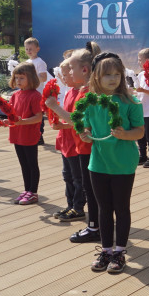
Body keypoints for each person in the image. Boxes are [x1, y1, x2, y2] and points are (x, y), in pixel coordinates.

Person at [79, 52, 144, 274]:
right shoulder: (90, 102)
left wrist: (125, 134)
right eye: (107, 74)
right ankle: (106, 250)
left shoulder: (130, 102)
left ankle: (119, 252)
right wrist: (85, 134)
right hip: (98, 164)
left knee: (121, 208)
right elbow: (85, 126)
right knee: (103, 208)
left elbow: (140, 131)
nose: (113, 78)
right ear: (96, 77)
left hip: (123, 164)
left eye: (117, 74)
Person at [46, 43, 104, 241]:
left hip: (89, 149)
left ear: (85, 69)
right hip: (83, 147)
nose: (68, 72)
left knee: (92, 190)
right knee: (90, 188)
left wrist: (55, 107)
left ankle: (95, 228)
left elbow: (77, 122)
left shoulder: (88, 92)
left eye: (71, 68)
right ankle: (95, 226)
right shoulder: (82, 91)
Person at [8, 62, 44, 205]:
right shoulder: (15, 95)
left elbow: (38, 117)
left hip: (28, 135)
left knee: (31, 164)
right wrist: (6, 121)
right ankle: (26, 189)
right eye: (16, 77)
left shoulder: (35, 96)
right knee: (23, 164)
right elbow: (12, 115)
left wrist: (22, 122)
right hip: (17, 134)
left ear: (31, 78)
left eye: (22, 78)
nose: (18, 81)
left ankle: (33, 192)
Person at [24, 37, 49, 146]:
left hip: (37, 93)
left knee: (38, 114)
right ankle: (31, 134)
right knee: (29, 114)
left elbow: (43, 77)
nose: (29, 51)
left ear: (37, 49)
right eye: (26, 49)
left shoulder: (40, 62)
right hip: (28, 92)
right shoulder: (27, 62)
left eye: (31, 49)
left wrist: (31, 76)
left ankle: (39, 135)